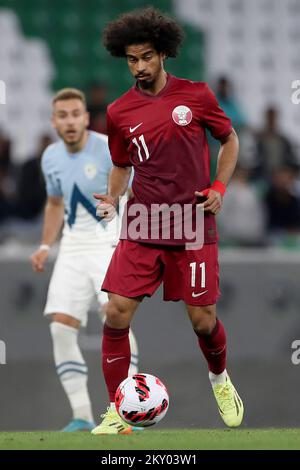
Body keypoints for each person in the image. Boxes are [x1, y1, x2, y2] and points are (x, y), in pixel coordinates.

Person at [91, 7, 243, 435]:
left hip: (192, 220)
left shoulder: (196, 96)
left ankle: (220, 378)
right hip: (143, 220)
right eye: (131, 59)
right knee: (116, 312)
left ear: (163, 54)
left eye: (146, 57)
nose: (139, 67)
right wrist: (115, 195)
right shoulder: (119, 111)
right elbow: (122, 164)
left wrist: (219, 188)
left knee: (203, 321)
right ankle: (117, 413)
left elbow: (229, 139)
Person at [30, 88, 139, 432]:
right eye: (62, 115)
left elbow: (134, 192)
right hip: (72, 246)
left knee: (115, 318)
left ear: (85, 118)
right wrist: (46, 246)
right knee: (61, 327)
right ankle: (81, 415)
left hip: (108, 240)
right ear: (54, 121)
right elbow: (54, 204)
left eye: (75, 113)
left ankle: (126, 413)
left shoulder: (108, 148)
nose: (70, 121)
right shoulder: (50, 157)